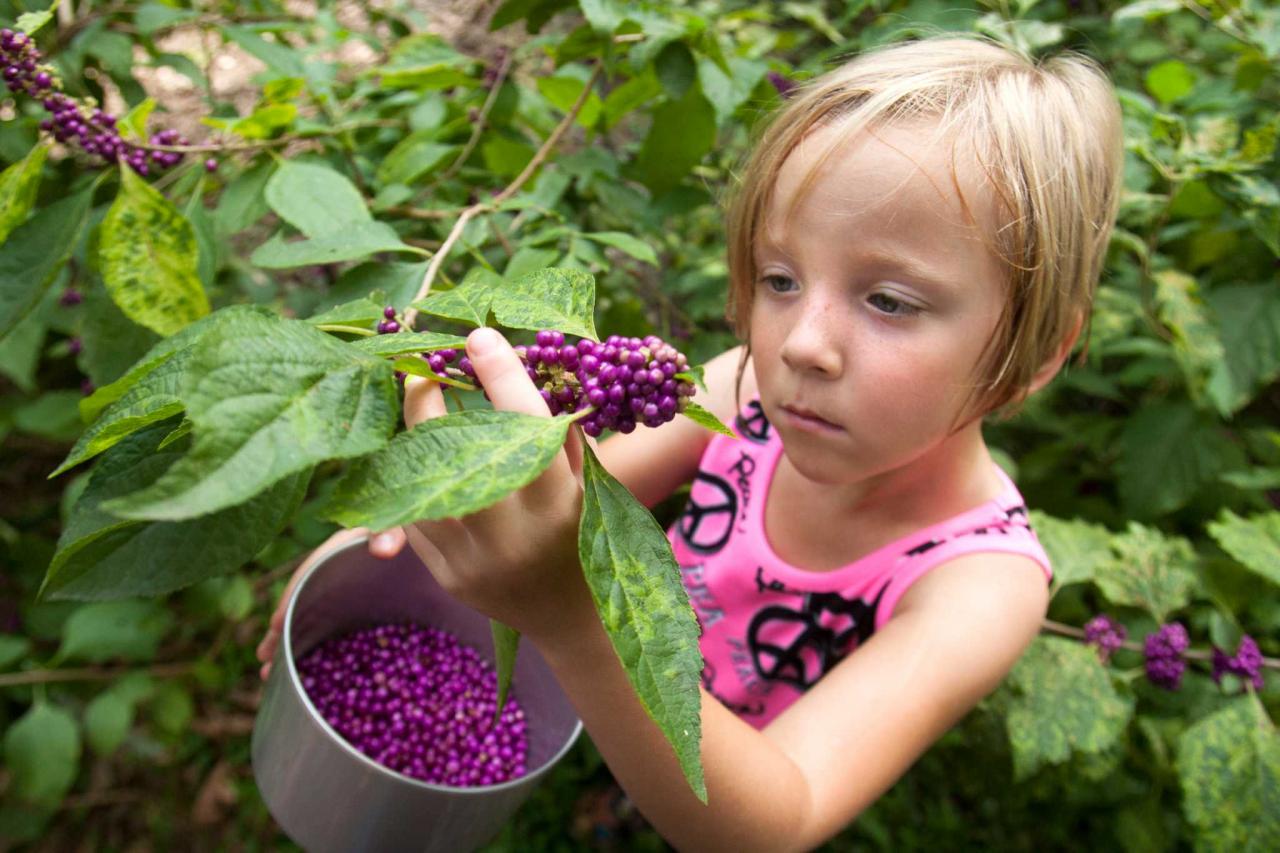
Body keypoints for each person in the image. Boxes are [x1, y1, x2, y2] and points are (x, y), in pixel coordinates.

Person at [258, 33, 1123, 850]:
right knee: (634, 747)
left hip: (737, 757)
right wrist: (372, 534)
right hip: (608, 670)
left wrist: (573, 618)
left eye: (889, 300)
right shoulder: (742, 386)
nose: (800, 344)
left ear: (1033, 355)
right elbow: (541, 479)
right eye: (781, 278)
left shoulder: (982, 582)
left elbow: (780, 816)